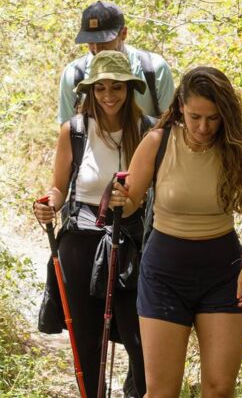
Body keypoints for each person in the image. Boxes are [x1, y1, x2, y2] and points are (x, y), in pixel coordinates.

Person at [109, 66, 242, 397]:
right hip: (165, 272)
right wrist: (119, 200)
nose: (204, 127)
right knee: (162, 392)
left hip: (223, 272)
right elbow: (132, 202)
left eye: (213, 118)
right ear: (180, 106)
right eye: (195, 117)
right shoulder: (157, 143)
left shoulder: (237, 148)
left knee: (220, 388)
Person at [35, 51, 150, 397]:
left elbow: (157, 189)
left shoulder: (147, 132)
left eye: (117, 87)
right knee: (86, 338)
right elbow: (58, 186)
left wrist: (130, 200)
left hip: (131, 241)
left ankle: (139, 390)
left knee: (140, 336)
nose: (109, 95)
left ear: (130, 89)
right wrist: (48, 206)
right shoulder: (75, 131)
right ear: (90, 91)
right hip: (82, 240)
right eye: (100, 88)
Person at [57, 0, 175, 124]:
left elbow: (169, 124)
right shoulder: (73, 74)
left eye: (104, 41)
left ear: (123, 34)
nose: (96, 49)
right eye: (90, 41)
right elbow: (67, 128)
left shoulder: (154, 68)